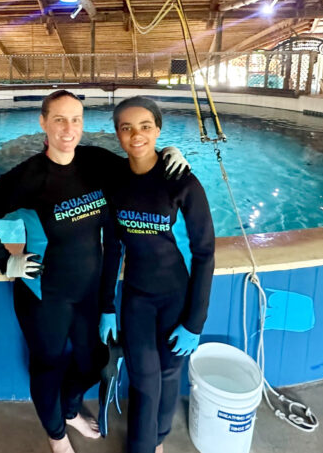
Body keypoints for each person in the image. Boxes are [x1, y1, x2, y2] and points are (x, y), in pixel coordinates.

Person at [0, 90, 189, 453]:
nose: (68, 129)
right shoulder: (28, 177)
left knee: (93, 362)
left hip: (87, 291)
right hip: (44, 294)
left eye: (76, 119)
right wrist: (4, 260)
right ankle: (56, 435)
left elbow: (139, 164)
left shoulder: (95, 162)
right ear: (43, 123)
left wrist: (167, 157)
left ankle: (69, 410)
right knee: (48, 367)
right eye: (59, 119)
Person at [99, 96, 215, 453]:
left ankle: (159, 439)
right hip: (136, 297)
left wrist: (195, 321)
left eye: (145, 126)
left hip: (175, 295)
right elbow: (113, 247)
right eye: (127, 128)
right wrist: (106, 305)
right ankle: (143, 447)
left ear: (158, 130)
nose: (136, 135)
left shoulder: (181, 180)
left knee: (168, 374)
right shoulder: (114, 181)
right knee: (145, 380)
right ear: (117, 134)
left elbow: (204, 251)